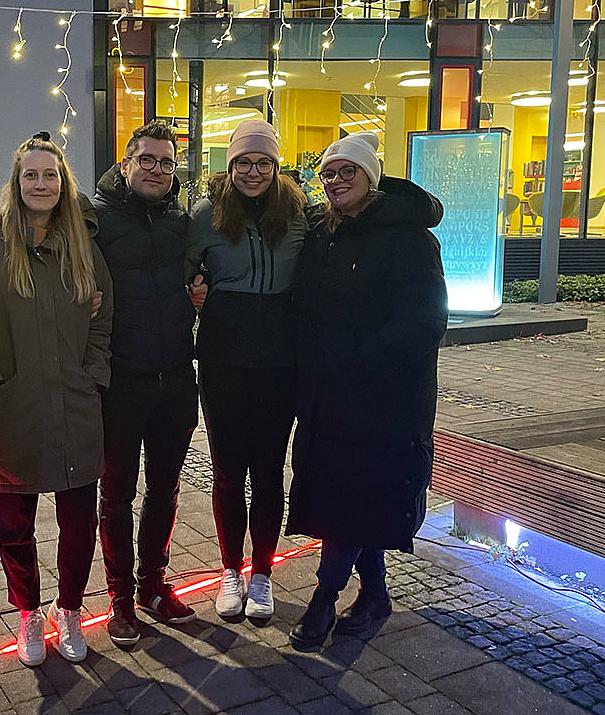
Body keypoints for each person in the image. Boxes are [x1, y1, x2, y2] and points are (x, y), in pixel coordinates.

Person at [0, 132, 113, 668]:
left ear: (63, 183)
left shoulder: (82, 248)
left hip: (75, 404)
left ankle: (68, 609)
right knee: (13, 523)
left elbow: (103, 318)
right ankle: (27, 611)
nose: (40, 183)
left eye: (50, 174)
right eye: (31, 174)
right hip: (11, 410)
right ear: (16, 182)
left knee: (78, 520)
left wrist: (93, 374)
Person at [286, 131, 448, 649]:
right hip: (329, 395)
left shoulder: (409, 239)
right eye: (328, 173)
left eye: (346, 171)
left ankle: (323, 599)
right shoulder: (324, 232)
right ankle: (375, 594)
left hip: (384, 399)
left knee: (358, 497)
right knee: (351, 500)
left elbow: (425, 321)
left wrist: (360, 364)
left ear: (370, 177)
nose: (335, 180)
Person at [187, 119, 307, 621]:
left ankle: (262, 572)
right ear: (229, 165)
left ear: (276, 167)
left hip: (281, 358)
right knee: (228, 470)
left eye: (263, 163)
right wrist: (194, 288)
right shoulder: (206, 214)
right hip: (223, 356)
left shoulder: (299, 212)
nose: (253, 172)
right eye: (243, 162)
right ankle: (229, 572)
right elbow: (182, 269)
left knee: (269, 470)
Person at [91, 120, 204, 645]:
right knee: (116, 493)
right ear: (126, 164)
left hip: (177, 377)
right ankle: (119, 600)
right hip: (121, 380)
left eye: (166, 161)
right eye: (148, 159)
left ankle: (153, 585)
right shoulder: (97, 218)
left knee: (165, 488)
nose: (158, 169)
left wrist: (201, 292)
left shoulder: (183, 220)